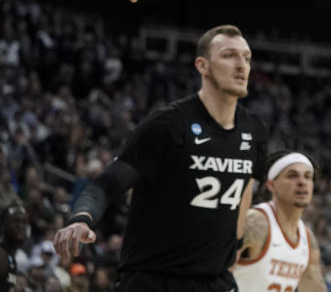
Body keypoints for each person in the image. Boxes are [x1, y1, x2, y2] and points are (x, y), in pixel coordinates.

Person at [53, 25, 269, 292]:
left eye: (246, 57)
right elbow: (106, 183)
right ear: (203, 65)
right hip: (154, 279)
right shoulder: (169, 124)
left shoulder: (254, 130)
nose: (242, 65)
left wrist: (235, 243)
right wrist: (81, 218)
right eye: (229, 56)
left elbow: (245, 182)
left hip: (214, 281)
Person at [233, 150, 326, 292]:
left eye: (308, 177)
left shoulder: (307, 239)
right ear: (272, 185)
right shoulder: (255, 223)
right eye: (292, 176)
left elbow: (314, 288)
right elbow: (214, 274)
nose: (302, 182)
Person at [0, 204, 28, 292]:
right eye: (15, 221)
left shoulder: (11, 260)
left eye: (24, 222)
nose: (20, 226)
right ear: (2, 224)